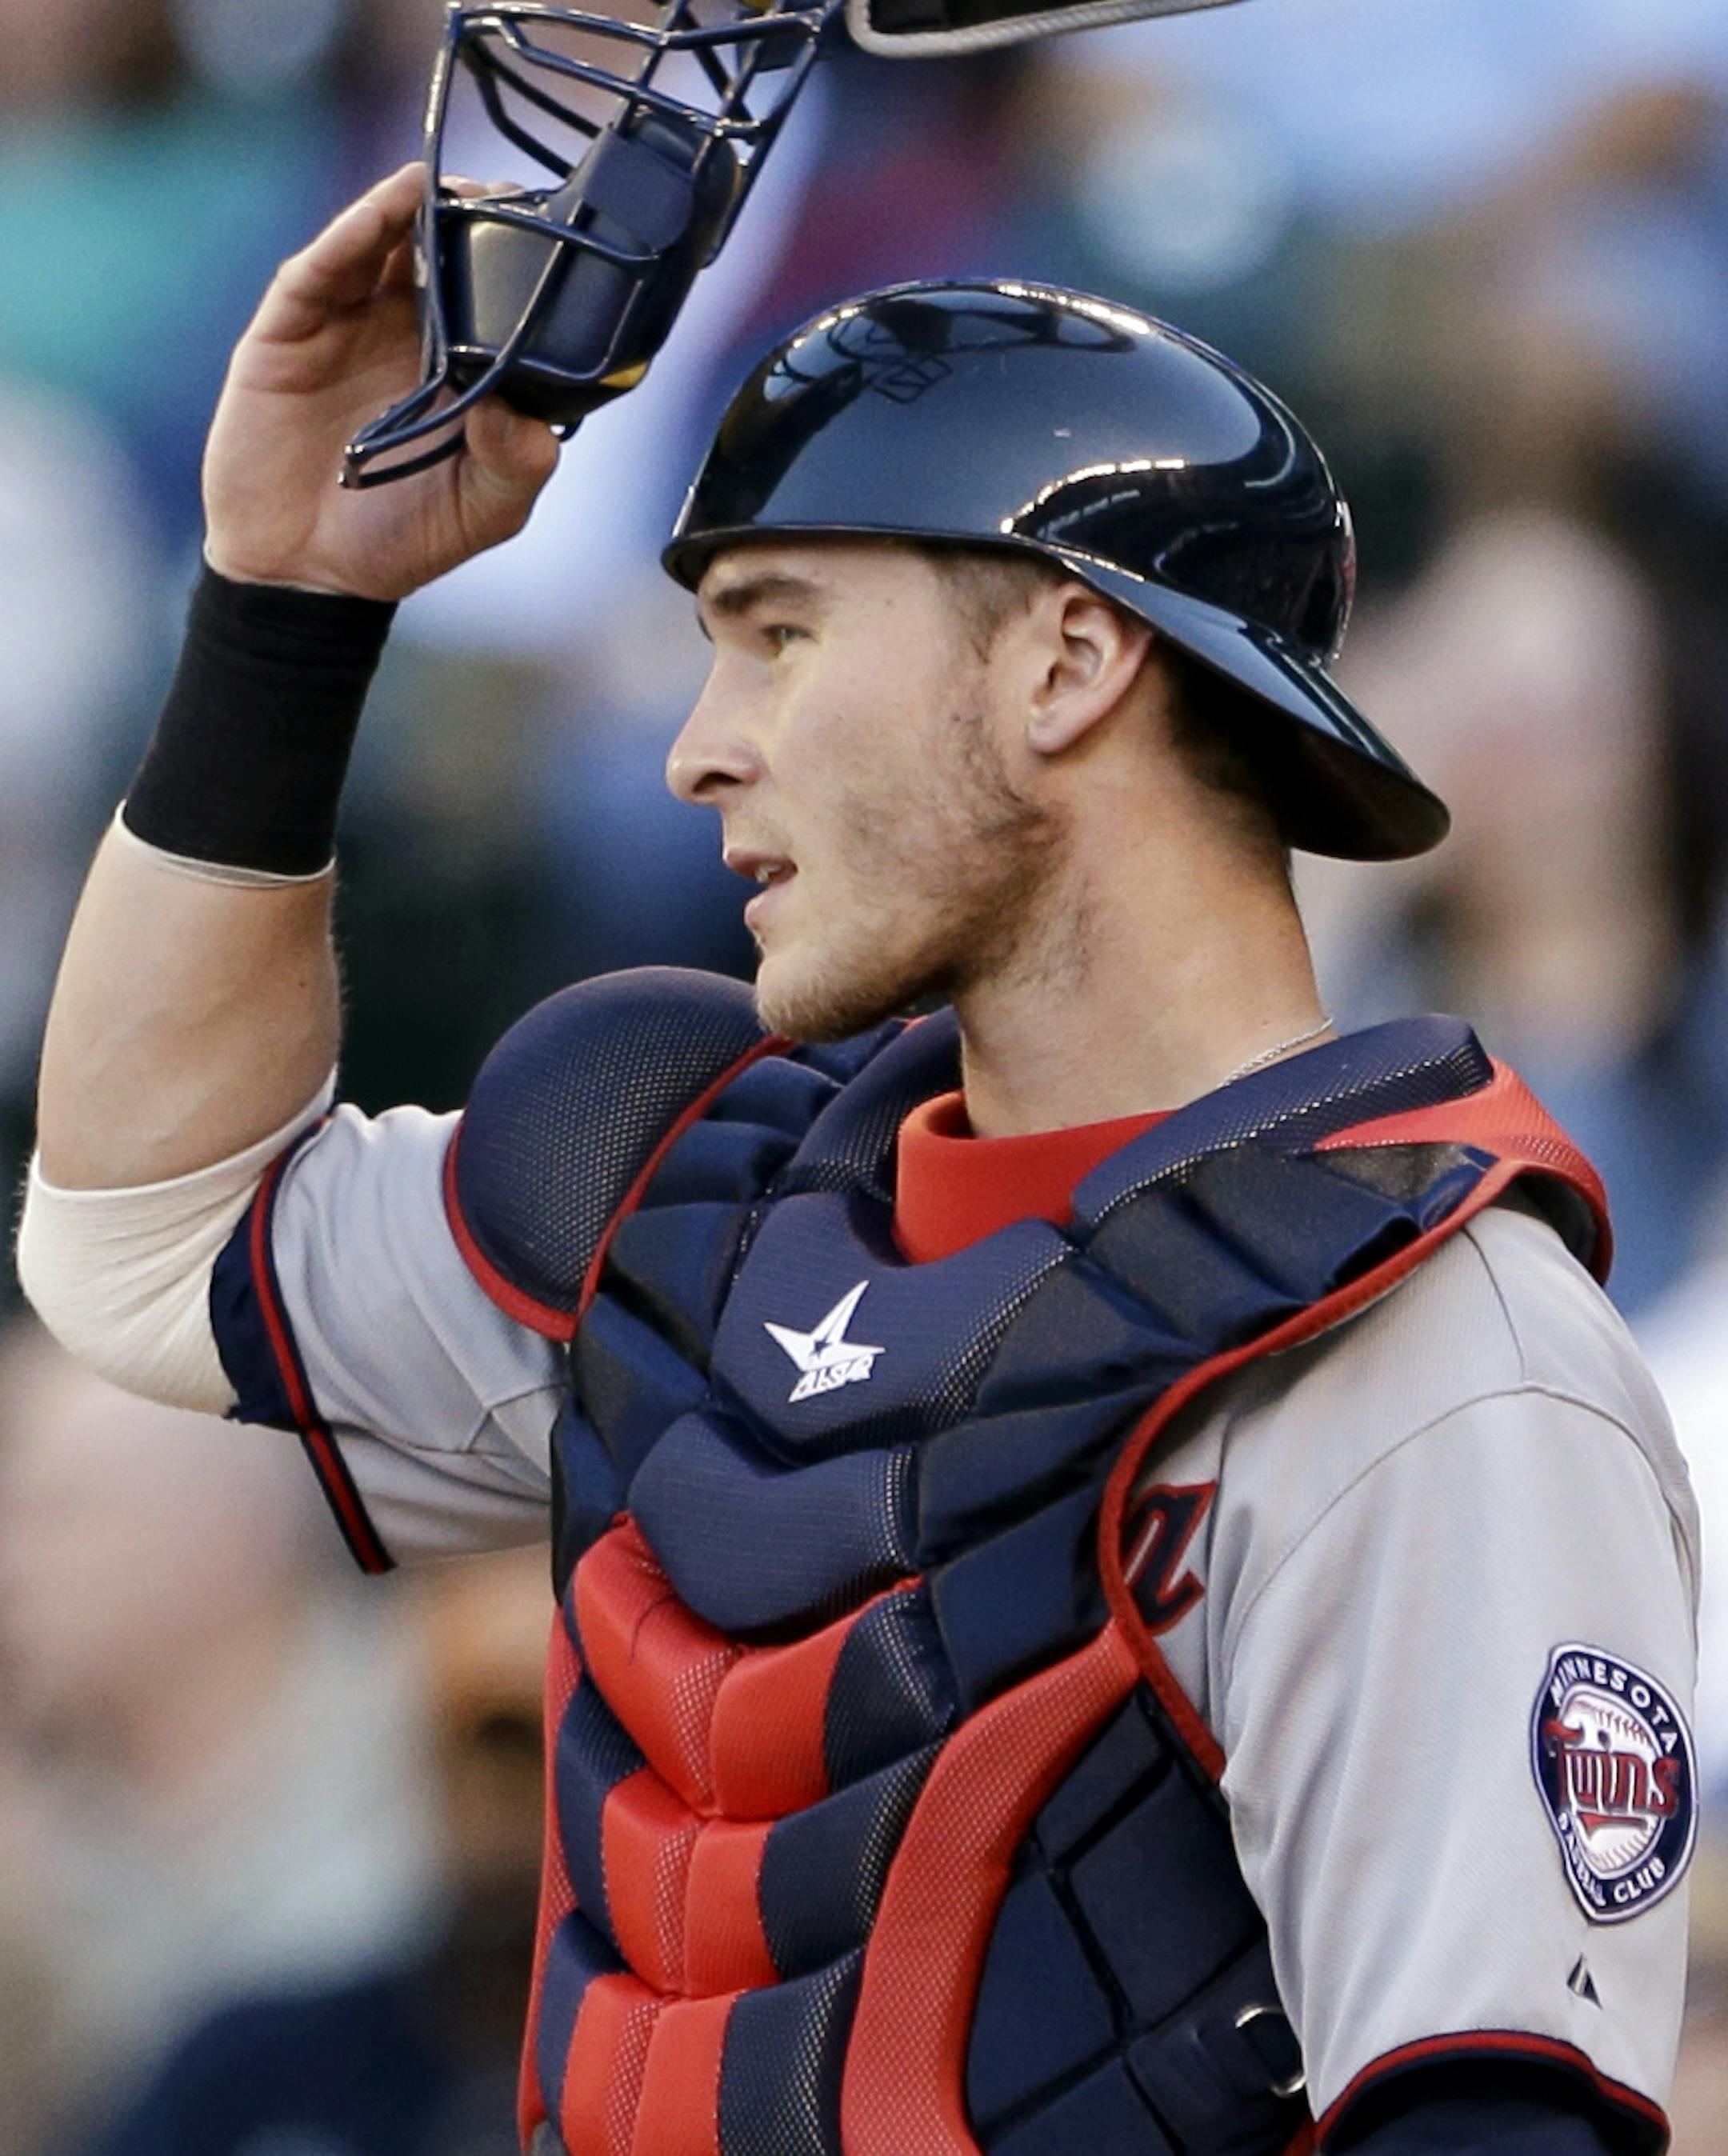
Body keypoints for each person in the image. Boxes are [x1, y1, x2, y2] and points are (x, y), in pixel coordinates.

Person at [18, 164, 1699, 2156]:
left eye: (781, 634)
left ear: (1069, 663)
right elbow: (149, 1243)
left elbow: (1488, 2126)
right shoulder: (704, 1194)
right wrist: (290, 605)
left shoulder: (1426, 1354)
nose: (699, 744)